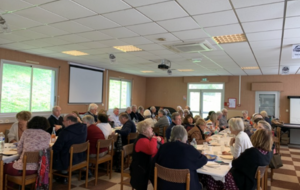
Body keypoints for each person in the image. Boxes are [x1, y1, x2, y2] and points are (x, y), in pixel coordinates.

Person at [203, 129, 273, 190]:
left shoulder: (252, 152)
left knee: (211, 175)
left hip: (242, 184)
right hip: (252, 183)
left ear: (257, 138)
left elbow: (235, 163)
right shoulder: (268, 153)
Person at [152, 125, 207, 190]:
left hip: (163, 186)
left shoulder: (163, 147)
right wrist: (202, 155)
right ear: (185, 137)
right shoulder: (188, 149)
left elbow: (153, 164)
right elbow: (203, 161)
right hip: (185, 187)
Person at [4, 116, 51, 180]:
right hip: (39, 169)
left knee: (3, 167)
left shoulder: (26, 132)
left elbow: (19, 150)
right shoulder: (47, 135)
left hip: (22, 169)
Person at [130, 119, 164, 190]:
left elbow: (159, 146)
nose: (152, 129)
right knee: (158, 177)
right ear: (144, 131)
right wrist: (154, 138)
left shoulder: (147, 138)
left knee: (158, 177)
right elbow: (152, 150)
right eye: (149, 127)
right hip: (140, 169)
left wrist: (159, 140)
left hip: (147, 166)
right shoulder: (141, 140)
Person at [52, 114, 87, 181]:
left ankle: (61, 175)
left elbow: (57, 147)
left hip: (67, 159)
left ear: (69, 121)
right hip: (80, 156)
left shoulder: (66, 132)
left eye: (63, 121)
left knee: (50, 153)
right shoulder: (83, 128)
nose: (62, 122)